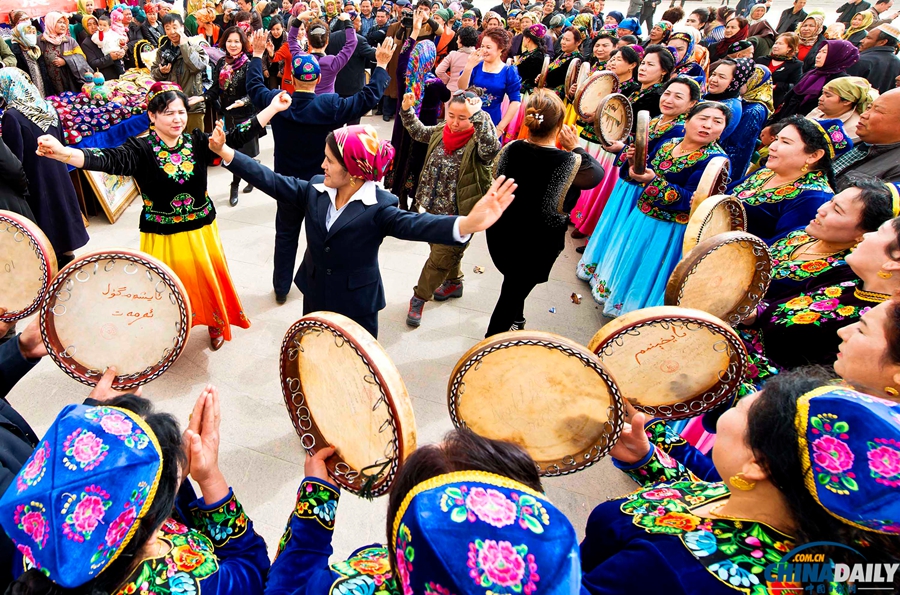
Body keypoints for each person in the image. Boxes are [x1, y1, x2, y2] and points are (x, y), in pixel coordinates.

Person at [586, 370, 900, 595]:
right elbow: (712, 491)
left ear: (758, 465)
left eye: (742, 408)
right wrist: (647, 459)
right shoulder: (843, 539)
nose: (734, 408)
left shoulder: (674, 570)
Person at [213, 118, 517, 338]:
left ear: (355, 173)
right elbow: (271, 180)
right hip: (315, 292)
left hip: (357, 304)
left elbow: (417, 225)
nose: (322, 166)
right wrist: (227, 152)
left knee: (356, 364)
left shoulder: (380, 206)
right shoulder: (316, 189)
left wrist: (466, 224)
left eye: (330, 161)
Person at [35, 82, 274, 349]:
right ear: (152, 115)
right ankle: (171, 329)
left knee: (207, 278)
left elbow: (236, 135)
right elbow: (107, 158)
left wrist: (272, 109)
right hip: (162, 235)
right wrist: (65, 153)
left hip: (201, 231)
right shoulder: (141, 150)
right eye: (169, 113)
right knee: (167, 286)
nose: (177, 119)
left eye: (181, 112)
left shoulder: (196, 140)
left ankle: (214, 321)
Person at [0, 389, 271, 594]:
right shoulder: (190, 583)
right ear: (152, 520)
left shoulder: (36, 546)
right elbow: (252, 566)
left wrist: (167, 481)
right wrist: (210, 477)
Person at [265, 429, 582, 595]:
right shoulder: (561, 583)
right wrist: (635, 466)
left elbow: (285, 586)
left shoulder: (348, 587)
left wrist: (315, 500)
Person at [247, 31, 392, 305]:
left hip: (287, 184)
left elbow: (255, 87)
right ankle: (314, 284)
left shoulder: (280, 103)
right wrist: (381, 67)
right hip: (322, 186)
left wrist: (256, 56)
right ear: (317, 79)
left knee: (286, 235)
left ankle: (281, 287)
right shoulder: (329, 105)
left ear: (293, 78)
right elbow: (365, 98)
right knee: (320, 241)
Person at [591, 102, 731, 317]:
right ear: (687, 121)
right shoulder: (669, 143)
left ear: (723, 130)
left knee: (647, 269)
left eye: (717, 122)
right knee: (629, 257)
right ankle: (615, 298)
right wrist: (634, 163)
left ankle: (633, 312)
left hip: (670, 228)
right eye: (703, 118)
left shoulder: (715, 161)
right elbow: (640, 173)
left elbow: (692, 200)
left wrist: (653, 181)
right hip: (641, 216)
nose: (708, 126)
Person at [485, 90, 602, 335]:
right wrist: (577, 148)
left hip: (503, 234)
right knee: (513, 291)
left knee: (515, 284)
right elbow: (595, 175)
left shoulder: (512, 147)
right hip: (537, 243)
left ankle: (517, 319)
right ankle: (488, 346)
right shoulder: (569, 161)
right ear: (559, 125)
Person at [741, 216, 900, 375]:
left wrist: (737, 349)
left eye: (879, 232)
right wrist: (754, 313)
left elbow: (809, 382)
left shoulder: (879, 324)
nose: (867, 235)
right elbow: (776, 305)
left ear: (894, 261)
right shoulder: (847, 275)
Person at [402, 90, 501, 326]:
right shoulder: (441, 131)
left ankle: (419, 298)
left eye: (463, 118)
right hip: (433, 208)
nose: (455, 123)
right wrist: (407, 110)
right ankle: (454, 283)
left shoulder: (478, 140)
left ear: (473, 117)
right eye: (452, 115)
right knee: (443, 249)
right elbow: (418, 132)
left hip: (461, 213)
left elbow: (491, 149)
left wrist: (481, 117)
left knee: (439, 259)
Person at [573, 76, 698, 259]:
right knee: (614, 219)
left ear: (691, 104)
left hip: (642, 186)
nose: (669, 100)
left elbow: (652, 160)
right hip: (629, 182)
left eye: (678, 97)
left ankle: (603, 258)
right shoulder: (656, 120)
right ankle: (597, 254)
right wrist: (623, 145)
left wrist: (621, 149)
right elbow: (637, 145)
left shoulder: (679, 131)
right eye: (667, 93)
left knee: (622, 226)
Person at [0, 69, 87, 269]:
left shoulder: (13, 116)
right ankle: (68, 264)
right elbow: (62, 143)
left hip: (36, 179)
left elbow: (15, 157)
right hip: (58, 172)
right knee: (62, 216)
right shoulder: (47, 107)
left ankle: (56, 271)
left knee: (48, 226)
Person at [765, 172, 894, 301]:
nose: (821, 209)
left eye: (837, 210)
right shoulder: (802, 233)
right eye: (831, 201)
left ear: (864, 234)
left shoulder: (838, 272)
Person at [730, 116, 843, 243]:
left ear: (813, 156)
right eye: (777, 139)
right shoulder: (768, 172)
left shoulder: (813, 198)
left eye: (785, 142)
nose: (772, 146)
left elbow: (778, 248)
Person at [196, 26, 261, 206]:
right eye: (230, 41)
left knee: (245, 153)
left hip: (246, 115)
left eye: (237, 41)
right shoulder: (220, 63)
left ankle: (242, 180)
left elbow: (255, 91)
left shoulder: (249, 64)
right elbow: (216, 89)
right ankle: (236, 183)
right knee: (233, 153)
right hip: (228, 115)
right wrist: (201, 97)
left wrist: (244, 101)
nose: (233, 45)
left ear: (243, 44)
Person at [772, 39, 859, 123]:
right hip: (785, 120)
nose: (818, 56)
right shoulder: (812, 73)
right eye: (819, 51)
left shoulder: (840, 81)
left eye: (824, 52)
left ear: (838, 56)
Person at [457, 27, 521, 138]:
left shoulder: (508, 71)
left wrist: (500, 128)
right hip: (468, 118)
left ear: (500, 49)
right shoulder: (476, 66)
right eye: (482, 46)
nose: (484, 50)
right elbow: (462, 87)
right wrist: (468, 67)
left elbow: (515, 101)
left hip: (492, 121)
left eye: (488, 47)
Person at [152, 14, 209, 133]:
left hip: (193, 105)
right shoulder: (163, 51)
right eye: (167, 28)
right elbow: (154, 74)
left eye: (175, 27)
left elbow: (197, 66)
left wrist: (184, 46)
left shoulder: (195, 47)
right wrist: (161, 72)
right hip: (171, 105)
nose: (172, 32)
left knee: (196, 142)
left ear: (182, 27)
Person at [833, 88, 900, 182]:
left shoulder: (896, 170)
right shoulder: (850, 143)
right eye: (869, 107)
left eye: (878, 111)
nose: (864, 115)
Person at [326, 9, 378, 124]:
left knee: (336, 126)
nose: (360, 24)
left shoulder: (331, 38)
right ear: (351, 22)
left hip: (335, 88)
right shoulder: (360, 40)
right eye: (359, 22)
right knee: (353, 126)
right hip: (354, 90)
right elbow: (374, 56)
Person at [721, 64, 772, 179]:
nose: (740, 82)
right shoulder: (747, 101)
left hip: (732, 157)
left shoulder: (755, 109)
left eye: (746, 79)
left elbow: (738, 142)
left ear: (756, 81)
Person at [293, 15, 358, 94]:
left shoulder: (300, 59)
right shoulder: (333, 62)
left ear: (309, 42)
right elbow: (352, 42)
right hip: (327, 103)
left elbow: (291, 40)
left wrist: (299, 18)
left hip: (305, 103)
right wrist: (348, 21)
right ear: (327, 41)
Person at [507, 22, 549, 139]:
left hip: (524, 94)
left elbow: (525, 75)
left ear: (528, 39)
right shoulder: (527, 54)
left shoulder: (537, 57)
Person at [806, 76, 876, 142]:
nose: (820, 98)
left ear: (847, 101)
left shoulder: (854, 127)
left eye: (828, 96)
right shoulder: (819, 111)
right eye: (822, 93)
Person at [703, 58, 754, 145]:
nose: (713, 79)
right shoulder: (713, 96)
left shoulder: (729, 107)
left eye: (721, 77)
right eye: (714, 74)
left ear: (735, 82)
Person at [39, 12, 91, 95]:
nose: (63, 25)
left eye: (64, 23)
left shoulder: (70, 41)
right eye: (59, 22)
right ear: (50, 23)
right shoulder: (40, 40)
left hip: (69, 83)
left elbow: (82, 58)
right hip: (50, 85)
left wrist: (65, 61)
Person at [846, 23, 900, 93]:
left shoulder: (861, 60)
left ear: (882, 42)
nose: (861, 40)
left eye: (868, 38)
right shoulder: (897, 62)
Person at [755, 32, 803, 110]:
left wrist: (776, 86)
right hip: (753, 95)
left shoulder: (795, 65)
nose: (776, 46)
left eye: (780, 44)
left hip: (772, 101)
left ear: (790, 48)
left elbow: (794, 85)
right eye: (776, 43)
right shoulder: (762, 60)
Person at [9, 21, 51, 98]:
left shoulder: (36, 50)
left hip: (42, 88)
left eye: (33, 33)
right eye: (28, 33)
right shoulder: (15, 52)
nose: (31, 36)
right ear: (19, 35)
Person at [81, 16, 127, 80]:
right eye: (89, 25)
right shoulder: (86, 43)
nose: (93, 27)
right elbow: (93, 63)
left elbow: (119, 44)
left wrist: (123, 50)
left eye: (95, 24)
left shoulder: (109, 34)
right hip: (104, 77)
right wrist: (110, 57)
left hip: (118, 70)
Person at [436, 24, 476, 93]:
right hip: (471, 93)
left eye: (458, 39)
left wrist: (449, 81)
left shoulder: (453, 55)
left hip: (452, 91)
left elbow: (439, 71)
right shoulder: (478, 57)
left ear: (461, 41)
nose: (456, 42)